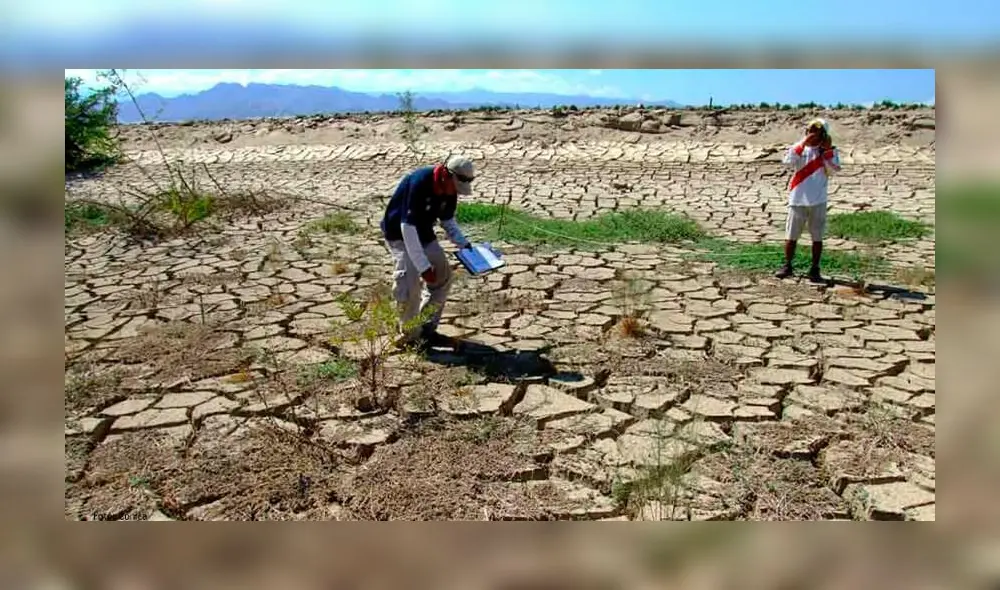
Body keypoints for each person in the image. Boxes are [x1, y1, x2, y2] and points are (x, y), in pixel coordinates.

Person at [380, 155, 475, 347]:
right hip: (399, 234)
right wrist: (423, 267)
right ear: (447, 175)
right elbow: (407, 228)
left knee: (443, 277)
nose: (454, 193)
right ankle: (409, 336)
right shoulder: (419, 181)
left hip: (424, 233)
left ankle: (426, 329)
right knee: (409, 284)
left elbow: (447, 220)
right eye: (455, 187)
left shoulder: (451, 189)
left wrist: (463, 244)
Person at [775, 118, 842, 282]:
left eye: (817, 132)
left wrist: (827, 151)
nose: (813, 134)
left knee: (817, 237)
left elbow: (833, 170)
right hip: (797, 199)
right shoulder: (799, 147)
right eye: (811, 130)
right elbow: (788, 161)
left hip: (818, 200)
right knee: (791, 235)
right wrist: (804, 143)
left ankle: (815, 268)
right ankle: (787, 265)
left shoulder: (829, 152)